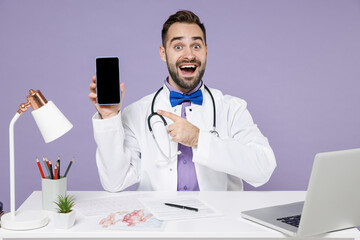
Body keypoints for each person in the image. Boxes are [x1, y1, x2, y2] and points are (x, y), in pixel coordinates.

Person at [89, 10, 276, 192]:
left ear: (206, 51)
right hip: (159, 219)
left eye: (196, 46)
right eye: (178, 47)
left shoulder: (232, 108)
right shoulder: (137, 113)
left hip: (217, 220)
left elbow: (264, 168)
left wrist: (198, 139)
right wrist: (109, 118)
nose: (189, 55)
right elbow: (114, 182)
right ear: (163, 53)